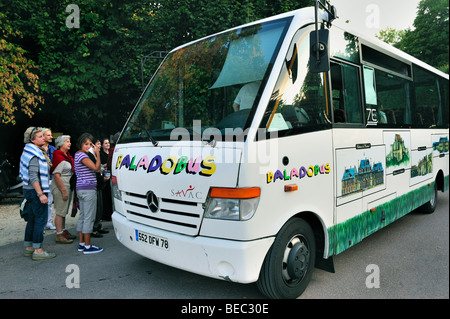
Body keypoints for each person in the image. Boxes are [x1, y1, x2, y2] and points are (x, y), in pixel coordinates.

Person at [19, 127, 56, 260]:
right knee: (40, 220)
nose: (43, 138)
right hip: (36, 191)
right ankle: (38, 251)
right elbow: (33, 176)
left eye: (43, 136)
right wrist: (41, 194)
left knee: (33, 220)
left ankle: (29, 247)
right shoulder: (35, 154)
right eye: (40, 136)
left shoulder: (28, 151)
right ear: (32, 139)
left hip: (29, 190)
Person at [74, 133, 103, 254]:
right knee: (89, 218)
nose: (89, 146)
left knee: (83, 217)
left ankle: (81, 243)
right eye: (86, 144)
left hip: (81, 188)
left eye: (90, 144)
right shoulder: (82, 156)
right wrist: (97, 153)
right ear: (80, 144)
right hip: (88, 189)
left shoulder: (78, 155)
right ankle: (87, 245)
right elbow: (97, 168)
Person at [50, 135, 76, 244]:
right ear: (60, 144)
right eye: (67, 142)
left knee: (64, 210)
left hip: (67, 185)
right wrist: (63, 191)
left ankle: (63, 231)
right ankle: (59, 234)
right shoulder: (58, 156)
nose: (69, 143)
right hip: (61, 186)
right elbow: (56, 175)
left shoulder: (66, 156)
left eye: (69, 141)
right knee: (60, 211)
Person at [41, 127, 56, 230]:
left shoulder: (53, 149)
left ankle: (48, 222)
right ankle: (41, 224)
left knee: (50, 201)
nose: (51, 137)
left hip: (51, 178)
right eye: (48, 135)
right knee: (41, 202)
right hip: (41, 179)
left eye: (51, 135)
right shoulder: (38, 149)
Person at [100, 137, 113, 221]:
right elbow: (99, 166)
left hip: (111, 175)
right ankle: (105, 215)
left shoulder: (111, 153)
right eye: (105, 143)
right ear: (102, 145)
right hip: (104, 176)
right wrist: (104, 166)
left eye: (108, 143)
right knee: (105, 196)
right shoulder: (100, 154)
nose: (108, 144)